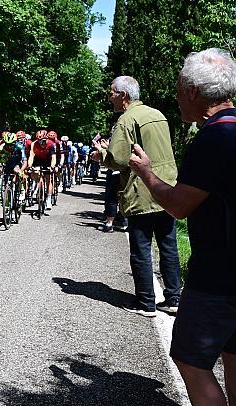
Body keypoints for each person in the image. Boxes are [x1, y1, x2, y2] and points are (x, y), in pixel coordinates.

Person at [129, 48, 236, 406]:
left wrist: (145, 172)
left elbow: (178, 206)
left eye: (177, 89)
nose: (176, 97)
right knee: (234, 355)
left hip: (218, 275)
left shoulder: (213, 138)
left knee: (190, 359)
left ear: (193, 91)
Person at [92, 75, 180, 317]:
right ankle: (174, 299)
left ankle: (146, 302)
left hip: (141, 190)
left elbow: (119, 161)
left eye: (111, 92)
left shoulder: (126, 120)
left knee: (141, 248)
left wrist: (101, 155)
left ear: (124, 95)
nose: (109, 97)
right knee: (168, 245)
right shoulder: (158, 114)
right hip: (167, 188)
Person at [27, 130, 57, 210]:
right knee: (35, 173)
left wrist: (52, 166)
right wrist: (29, 166)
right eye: (39, 141)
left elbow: (53, 157)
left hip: (47, 160)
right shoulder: (34, 144)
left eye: (43, 141)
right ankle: (38, 186)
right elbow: (31, 156)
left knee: (48, 178)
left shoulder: (51, 144)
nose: (41, 143)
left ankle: (49, 199)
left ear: (46, 139)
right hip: (38, 160)